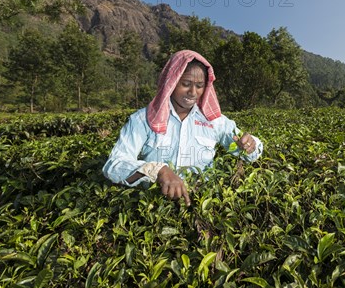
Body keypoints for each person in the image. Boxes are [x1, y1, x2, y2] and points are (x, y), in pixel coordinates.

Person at [103, 50, 263, 206]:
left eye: (199, 86)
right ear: (171, 82)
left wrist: (250, 145)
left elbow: (249, 153)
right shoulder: (143, 119)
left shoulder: (215, 122)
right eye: (185, 84)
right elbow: (114, 165)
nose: (193, 92)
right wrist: (159, 170)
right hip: (152, 208)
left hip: (202, 208)